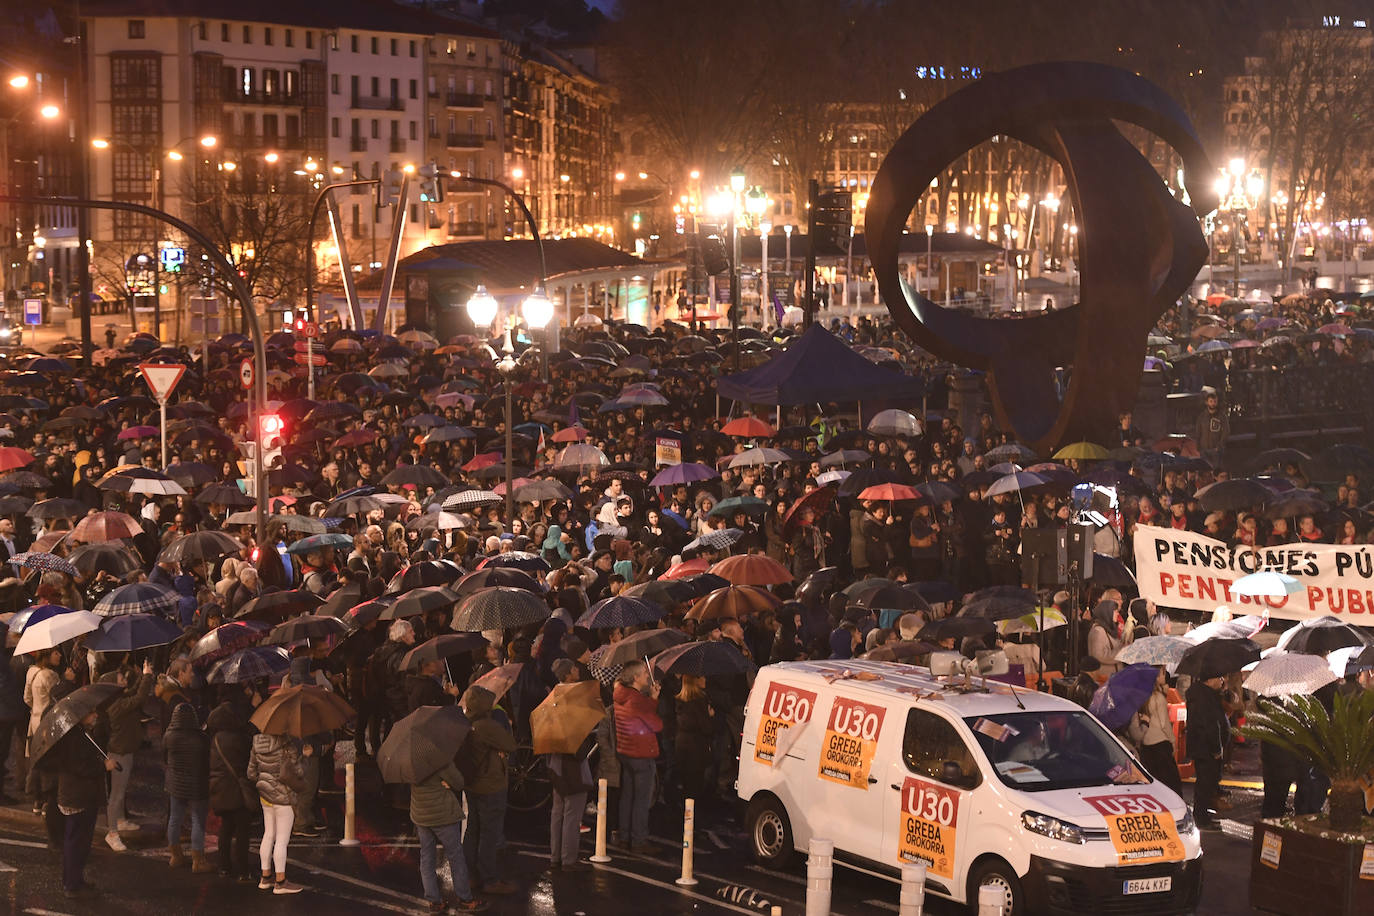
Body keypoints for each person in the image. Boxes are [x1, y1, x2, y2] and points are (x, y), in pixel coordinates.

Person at [457, 685, 517, 896]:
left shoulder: (465, 723)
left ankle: (471, 875)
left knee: (473, 829)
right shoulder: (487, 726)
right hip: (491, 785)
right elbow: (510, 744)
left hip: (472, 784)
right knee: (489, 834)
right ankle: (490, 879)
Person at [411, 753, 487, 912]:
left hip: (421, 813)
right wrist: (447, 783)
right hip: (441, 815)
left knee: (426, 857)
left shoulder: (410, 758)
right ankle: (465, 899)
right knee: (456, 856)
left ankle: (434, 902)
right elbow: (459, 782)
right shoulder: (439, 757)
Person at [54, 705, 117, 898]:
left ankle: (75, 880)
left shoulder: (81, 734)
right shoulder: (74, 738)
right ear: (81, 715)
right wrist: (103, 767)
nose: (95, 715)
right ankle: (72, 885)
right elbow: (81, 768)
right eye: (91, 712)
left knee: (78, 841)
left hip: (80, 795)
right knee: (76, 842)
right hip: (78, 796)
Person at [545, 658, 594, 872]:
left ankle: (556, 856)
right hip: (572, 763)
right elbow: (575, 736)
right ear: (567, 674)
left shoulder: (551, 698)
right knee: (573, 812)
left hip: (555, 761)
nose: (577, 670)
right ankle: (569, 860)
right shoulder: (573, 698)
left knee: (558, 811)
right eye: (574, 668)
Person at [247, 729, 309, 894]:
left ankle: (265, 877)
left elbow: (251, 773)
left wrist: (267, 780)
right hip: (283, 798)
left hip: (265, 796)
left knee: (268, 834)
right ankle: (280, 882)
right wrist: (306, 757)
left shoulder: (256, 743)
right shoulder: (287, 745)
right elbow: (299, 772)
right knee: (282, 840)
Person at [207, 689, 257, 883]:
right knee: (242, 831)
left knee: (226, 829)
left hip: (220, 789)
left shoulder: (215, 739)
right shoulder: (238, 738)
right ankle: (243, 870)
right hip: (237, 790)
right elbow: (246, 761)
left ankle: (224, 867)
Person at [103, 659, 153, 850]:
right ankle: (112, 832)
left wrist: (142, 676)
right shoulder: (116, 705)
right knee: (116, 795)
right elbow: (138, 698)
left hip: (126, 750)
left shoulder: (120, 699)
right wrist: (147, 677)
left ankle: (121, 820)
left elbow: (134, 693)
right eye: (120, 677)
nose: (124, 678)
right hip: (119, 754)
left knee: (121, 791)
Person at [613, 660, 663, 852]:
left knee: (628, 796)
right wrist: (653, 700)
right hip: (641, 753)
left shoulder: (622, 695)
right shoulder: (636, 700)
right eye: (643, 673)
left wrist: (652, 698)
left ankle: (625, 836)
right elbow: (656, 724)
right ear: (635, 678)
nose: (646, 676)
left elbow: (643, 713)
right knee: (641, 799)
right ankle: (639, 840)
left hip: (626, 751)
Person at [163, 702, 213, 872]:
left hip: (175, 784)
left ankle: (175, 856)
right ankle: (198, 860)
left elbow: (164, 757)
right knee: (198, 821)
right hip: (197, 785)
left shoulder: (169, 736)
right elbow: (208, 761)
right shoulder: (201, 738)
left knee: (174, 819)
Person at [1185, 673, 1228, 830]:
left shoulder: (1205, 694)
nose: (1221, 681)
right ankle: (1201, 817)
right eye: (1218, 678)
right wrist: (1216, 748)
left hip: (1203, 747)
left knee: (1206, 782)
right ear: (1209, 679)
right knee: (1205, 782)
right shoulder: (1204, 697)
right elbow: (1210, 725)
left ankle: (1203, 814)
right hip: (1206, 748)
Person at [1136, 667, 1182, 794]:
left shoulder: (1141, 696)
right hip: (1161, 744)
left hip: (1147, 745)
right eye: (1163, 672)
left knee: (1155, 783)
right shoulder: (1158, 698)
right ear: (1156, 676)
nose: (1165, 675)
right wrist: (1173, 742)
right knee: (1171, 783)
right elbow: (1164, 724)